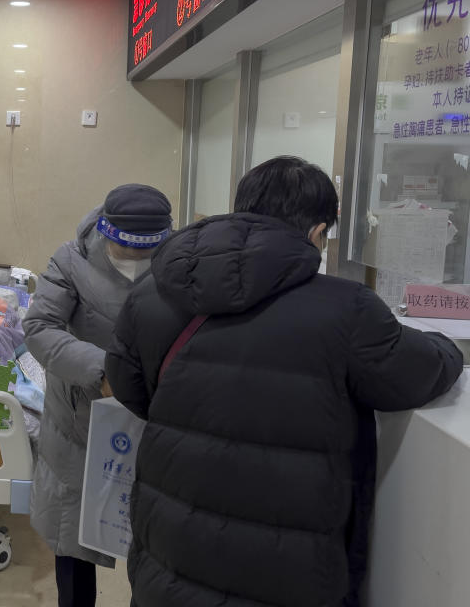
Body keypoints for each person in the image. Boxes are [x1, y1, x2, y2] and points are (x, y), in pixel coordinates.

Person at [106, 156, 464, 607]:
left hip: (169, 549)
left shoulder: (153, 292)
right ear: (317, 232)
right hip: (282, 570)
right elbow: (415, 373)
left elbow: (129, 386)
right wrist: (447, 346)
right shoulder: (347, 308)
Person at [23, 184, 173, 607]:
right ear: (107, 234)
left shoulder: (181, 262)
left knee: (151, 542)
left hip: (153, 415)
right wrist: (102, 371)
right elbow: (39, 328)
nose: (136, 261)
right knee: (72, 539)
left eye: (146, 253)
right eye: (127, 251)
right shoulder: (70, 260)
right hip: (78, 417)